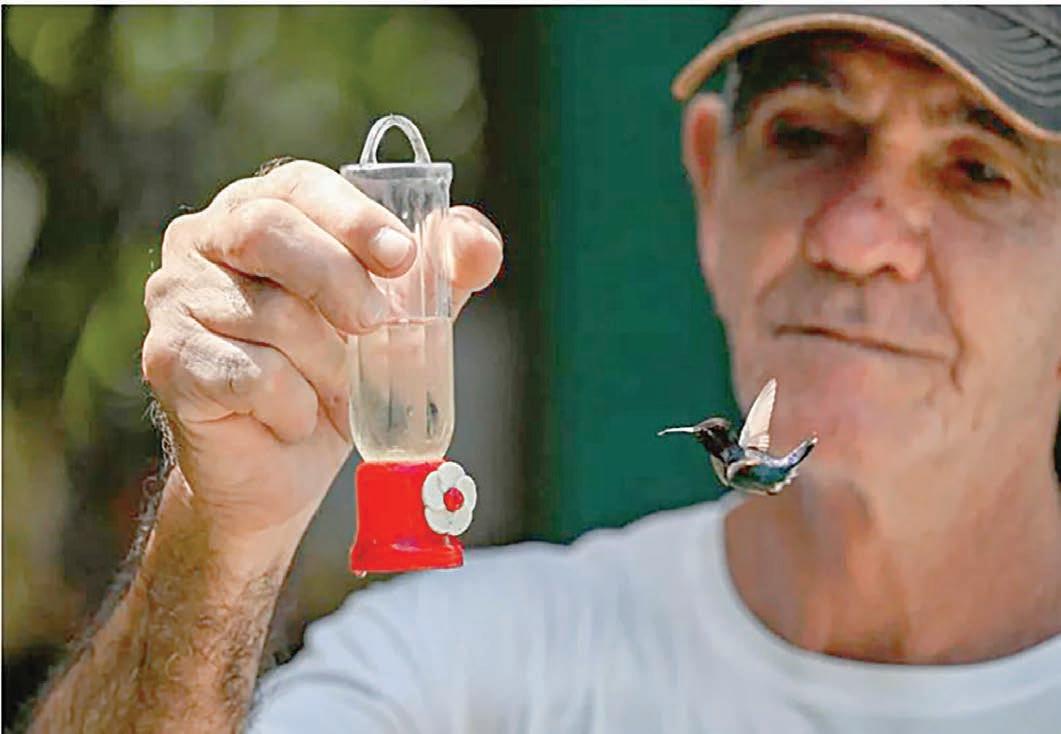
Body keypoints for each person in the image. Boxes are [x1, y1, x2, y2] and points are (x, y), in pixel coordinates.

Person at [28, 6, 1061, 732]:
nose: (854, 237)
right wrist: (218, 539)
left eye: (977, 169)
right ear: (709, 181)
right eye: (806, 137)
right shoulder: (464, 670)